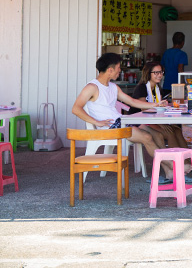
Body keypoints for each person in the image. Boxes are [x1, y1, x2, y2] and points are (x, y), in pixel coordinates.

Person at [72, 53, 177, 184]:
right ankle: (175, 167)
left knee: (157, 135)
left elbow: (132, 101)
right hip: (110, 127)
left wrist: (155, 104)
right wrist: (96, 122)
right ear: (110, 70)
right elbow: (76, 108)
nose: (120, 71)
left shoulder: (112, 87)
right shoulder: (92, 87)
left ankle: (168, 172)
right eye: (118, 68)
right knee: (147, 137)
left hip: (121, 122)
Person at [130, 62, 189, 150]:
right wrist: (160, 123)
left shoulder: (157, 88)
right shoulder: (142, 88)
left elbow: (160, 108)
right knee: (170, 133)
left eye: (161, 72)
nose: (160, 75)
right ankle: (175, 161)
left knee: (177, 130)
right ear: (148, 73)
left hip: (154, 119)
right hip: (140, 121)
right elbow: (144, 109)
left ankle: (188, 159)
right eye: (156, 73)